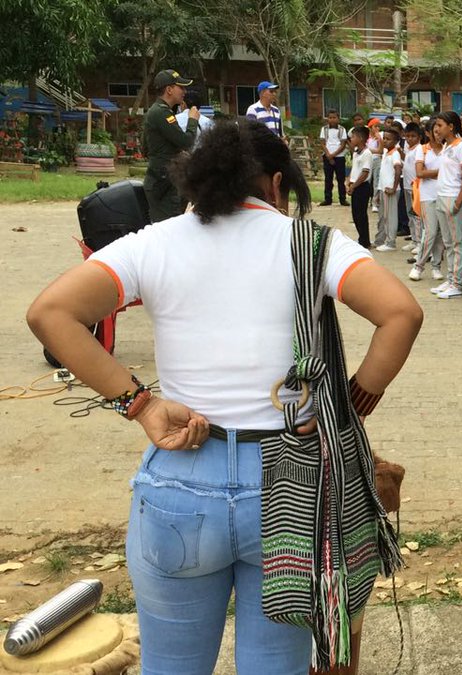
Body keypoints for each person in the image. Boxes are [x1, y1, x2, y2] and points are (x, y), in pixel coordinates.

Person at [26, 118, 423, 675]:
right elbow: (402, 314)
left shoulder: (151, 244)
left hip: (181, 481)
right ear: (276, 185)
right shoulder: (313, 244)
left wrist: (139, 404)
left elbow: (49, 314)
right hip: (289, 489)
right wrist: (355, 397)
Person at [142, 69, 200, 222]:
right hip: (164, 182)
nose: (184, 91)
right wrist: (193, 120)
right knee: (167, 230)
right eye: (180, 87)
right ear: (169, 90)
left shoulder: (157, 111)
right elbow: (187, 142)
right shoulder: (162, 113)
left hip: (160, 179)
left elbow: (144, 148)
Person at [428, 111, 462, 299]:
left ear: (451, 126)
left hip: (453, 198)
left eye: (440, 125)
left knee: (456, 242)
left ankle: (457, 283)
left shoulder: (460, 147)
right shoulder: (447, 146)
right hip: (442, 196)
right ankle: (450, 278)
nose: (436, 129)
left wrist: (459, 200)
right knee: (447, 242)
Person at [409, 127, 446, 283]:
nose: (438, 135)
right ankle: (419, 265)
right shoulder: (422, 149)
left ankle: (436, 266)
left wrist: (429, 172)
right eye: (435, 132)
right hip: (428, 195)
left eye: (440, 131)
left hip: (444, 194)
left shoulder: (447, 149)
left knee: (440, 233)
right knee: (430, 231)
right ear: (428, 134)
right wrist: (442, 171)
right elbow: (419, 173)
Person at [373, 125, 403, 251]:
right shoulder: (386, 152)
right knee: (383, 216)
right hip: (383, 189)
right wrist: (378, 192)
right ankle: (381, 239)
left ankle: (391, 242)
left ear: (395, 141)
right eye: (384, 138)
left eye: (388, 139)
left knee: (390, 217)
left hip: (390, 190)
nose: (385, 141)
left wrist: (393, 187)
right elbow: (382, 174)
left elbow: (398, 170)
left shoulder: (395, 154)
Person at [346, 126, 374, 248]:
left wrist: (354, 185)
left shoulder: (367, 153)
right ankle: (361, 238)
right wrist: (349, 182)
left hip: (362, 186)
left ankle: (365, 240)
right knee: (355, 214)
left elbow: (365, 173)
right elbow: (354, 170)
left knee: (361, 215)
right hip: (355, 185)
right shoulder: (357, 152)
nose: (351, 139)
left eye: (353, 136)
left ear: (361, 138)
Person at [318, 110, 349, 206]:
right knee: (328, 178)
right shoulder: (324, 129)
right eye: (330, 117)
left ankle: (342, 199)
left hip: (339, 156)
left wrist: (334, 154)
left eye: (334, 117)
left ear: (338, 119)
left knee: (340, 179)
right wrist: (328, 155)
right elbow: (323, 143)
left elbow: (343, 144)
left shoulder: (342, 129)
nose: (332, 120)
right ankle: (328, 199)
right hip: (327, 156)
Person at [401, 122, 423, 252]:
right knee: (410, 214)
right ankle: (414, 239)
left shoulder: (419, 149)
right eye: (407, 136)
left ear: (419, 137)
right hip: (407, 186)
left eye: (413, 136)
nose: (409, 139)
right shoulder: (409, 149)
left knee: (417, 216)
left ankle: (420, 242)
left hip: (416, 187)